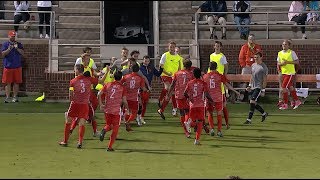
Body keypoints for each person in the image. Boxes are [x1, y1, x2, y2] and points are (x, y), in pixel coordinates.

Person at [59, 64, 98, 148]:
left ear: (77, 70)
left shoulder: (73, 81)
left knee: (68, 120)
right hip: (84, 104)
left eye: (74, 69)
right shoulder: (89, 79)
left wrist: (72, 99)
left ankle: (65, 141)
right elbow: (100, 81)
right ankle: (80, 142)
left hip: (75, 103)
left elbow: (70, 94)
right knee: (82, 123)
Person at [204, 61, 240, 136]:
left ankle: (212, 129)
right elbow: (227, 85)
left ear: (209, 68)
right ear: (216, 67)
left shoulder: (205, 76)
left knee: (210, 113)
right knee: (219, 113)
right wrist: (235, 91)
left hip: (209, 98)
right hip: (218, 98)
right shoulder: (220, 76)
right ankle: (219, 131)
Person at [98, 70, 129, 152]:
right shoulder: (122, 87)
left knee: (108, 125)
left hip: (107, 109)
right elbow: (124, 100)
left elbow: (99, 94)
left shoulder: (108, 84)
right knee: (115, 128)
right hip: (116, 110)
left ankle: (104, 130)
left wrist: (101, 104)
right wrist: (127, 109)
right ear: (121, 77)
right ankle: (110, 147)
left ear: (114, 77)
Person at [183, 68, 214, 145]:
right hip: (201, 105)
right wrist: (212, 101)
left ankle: (189, 123)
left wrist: (190, 98)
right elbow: (206, 94)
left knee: (194, 121)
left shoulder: (190, 83)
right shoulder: (203, 83)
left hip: (192, 105)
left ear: (193, 74)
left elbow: (185, 93)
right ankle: (196, 140)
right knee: (200, 122)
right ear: (200, 74)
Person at [166, 59, 194, 138]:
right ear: (190, 67)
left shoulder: (177, 73)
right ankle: (187, 122)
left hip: (178, 95)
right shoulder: (191, 74)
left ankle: (186, 132)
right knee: (187, 111)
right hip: (187, 96)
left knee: (181, 112)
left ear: (183, 65)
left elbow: (172, 84)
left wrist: (168, 94)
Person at [157, 41, 183, 119]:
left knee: (171, 94)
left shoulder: (178, 57)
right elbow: (160, 67)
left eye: (173, 47)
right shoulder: (165, 55)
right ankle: (161, 102)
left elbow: (179, 69)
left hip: (174, 77)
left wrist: (178, 77)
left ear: (175, 48)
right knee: (169, 89)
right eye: (170, 47)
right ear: (168, 47)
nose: (171, 48)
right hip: (165, 75)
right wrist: (167, 73)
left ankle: (161, 110)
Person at [209, 41, 231, 129]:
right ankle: (212, 125)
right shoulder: (211, 55)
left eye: (218, 46)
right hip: (212, 79)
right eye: (216, 46)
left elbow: (226, 66)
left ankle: (226, 123)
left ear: (220, 47)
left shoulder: (222, 56)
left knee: (223, 104)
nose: (217, 47)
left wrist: (224, 75)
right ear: (214, 47)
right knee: (210, 104)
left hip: (219, 80)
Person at [121, 63, 148, 131]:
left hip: (126, 98)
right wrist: (147, 90)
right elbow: (143, 88)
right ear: (138, 69)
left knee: (126, 111)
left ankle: (126, 123)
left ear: (131, 69)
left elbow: (120, 84)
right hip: (134, 98)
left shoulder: (125, 77)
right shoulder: (140, 78)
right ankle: (128, 122)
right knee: (134, 113)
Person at [243, 52, 269, 124]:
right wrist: (249, 85)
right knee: (253, 103)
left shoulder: (264, 67)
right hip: (253, 86)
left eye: (257, 57)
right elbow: (252, 76)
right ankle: (264, 113)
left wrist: (263, 90)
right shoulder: (253, 65)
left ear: (261, 57)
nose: (256, 59)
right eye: (254, 57)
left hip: (258, 87)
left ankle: (249, 119)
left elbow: (265, 79)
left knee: (252, 101)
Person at [137, 55, 163, 125]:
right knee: (140, 103)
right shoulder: (139, 67)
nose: (146, 62)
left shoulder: (151, 67)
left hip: (148, 88)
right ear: (143, 60)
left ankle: (141, 117)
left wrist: (161, 68)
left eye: (148, 61)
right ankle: (137, 116)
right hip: (140, 87)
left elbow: (157, 74)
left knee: (145, 103)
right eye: (145, 61)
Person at [277, 39, 302, 110]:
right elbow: (278, 63)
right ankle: (297, 101)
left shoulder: (291, 52)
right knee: (290, 87)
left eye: (285, 44)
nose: (284, 46)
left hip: (290, 73)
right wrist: (282, 64)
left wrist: (288, 62)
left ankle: (285, 104)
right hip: (284, 72)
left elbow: (297, 62)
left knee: (284, 87)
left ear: (288, 45)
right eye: (283, 44)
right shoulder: (279, 53)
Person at [1, 30, 24, 103]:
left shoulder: (19, 44)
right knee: (7, 83)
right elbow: (3, 54)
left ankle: (15, 97)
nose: (13, 38)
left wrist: (17, 48)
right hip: (8, 66)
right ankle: (7, 97)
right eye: (12, 36)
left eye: (14, 36)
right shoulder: (5, 44)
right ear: (9, 36)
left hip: (17, 66)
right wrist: (9, 49)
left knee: (16, 82)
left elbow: (23, 53)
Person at [238, 34, 262, 102]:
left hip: (255, 67)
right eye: (250, 39)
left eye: (253, 39)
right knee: (243, 82)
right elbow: (241, 57)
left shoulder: (258, 47)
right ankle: (241, 97)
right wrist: (243, 65)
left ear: (255, 40)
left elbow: (260, 56)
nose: (251, 41)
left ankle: (251, 97)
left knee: (254, 82)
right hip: (247, 66)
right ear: (248, 40)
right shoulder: (244, 47)